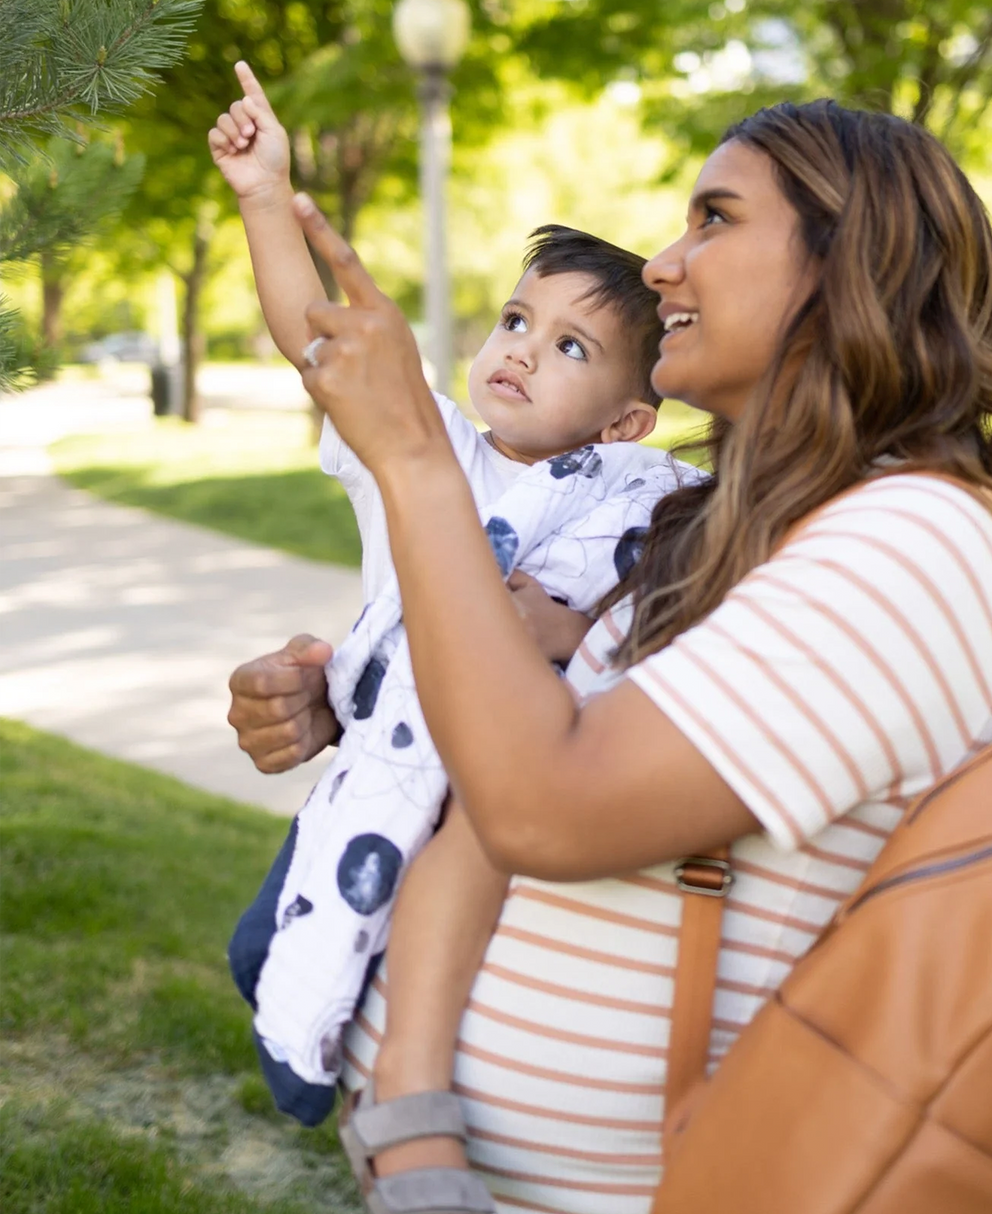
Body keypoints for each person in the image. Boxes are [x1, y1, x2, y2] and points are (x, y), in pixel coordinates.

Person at [228, 99, 992, 1214]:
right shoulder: (724, 529)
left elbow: (541, 804)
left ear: (848, 263)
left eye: (712, 219)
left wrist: (416, 458)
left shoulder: (906, 540)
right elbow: (507, 764)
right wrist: (368, 697)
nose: (663, 264)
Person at [209, 64, 695, 1145]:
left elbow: (620, 633)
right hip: (377, 783)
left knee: (458, 1007)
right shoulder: (425, 445)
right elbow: (317, 337)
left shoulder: (626, 507)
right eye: (516, 317)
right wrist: (260, 196)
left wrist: (565, 629)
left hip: (493, 815)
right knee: (266, 951)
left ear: (623, 422)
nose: (519, 345)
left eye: (569, 345)